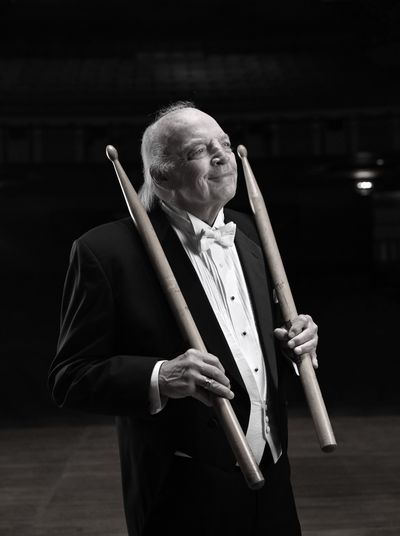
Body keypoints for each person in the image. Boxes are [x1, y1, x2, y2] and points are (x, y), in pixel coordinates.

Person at [48, 101, 319, 536]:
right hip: (182, 490)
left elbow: (248, 339)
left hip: (273, 479)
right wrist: (160, 375)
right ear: (161, 175)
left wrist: (291, 341)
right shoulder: (106, 251)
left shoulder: (249, 231)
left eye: (224, 144)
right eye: (198, 150)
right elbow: (70, 377)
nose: (221, 155)